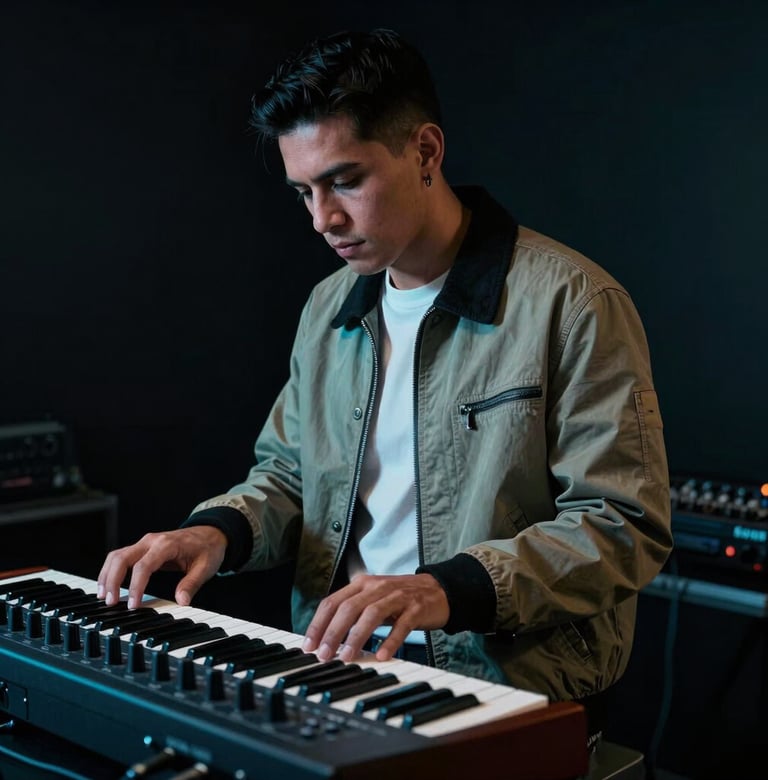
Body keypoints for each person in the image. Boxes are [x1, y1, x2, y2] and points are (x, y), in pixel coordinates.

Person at [97, 28, 672, 744]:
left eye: (344, 181)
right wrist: (216, 530)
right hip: (335, 664)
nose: (322, 219)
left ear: (425, 152)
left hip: (507, 684)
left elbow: (622, 524)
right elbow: (288, 477)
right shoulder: (327, 307)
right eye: (304, 192)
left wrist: (444, 588)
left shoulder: (574, 302)